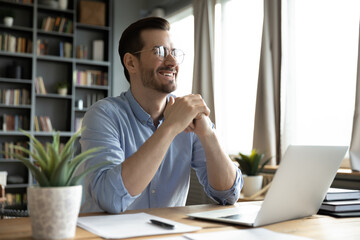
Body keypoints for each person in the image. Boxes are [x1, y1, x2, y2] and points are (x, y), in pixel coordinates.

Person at [80, 17, 242, 213]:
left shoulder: (188, 114)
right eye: (160, 51)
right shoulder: (102, 115)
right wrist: (170, 127)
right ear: (131, 63)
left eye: (173, 52)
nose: (172, 61)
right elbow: (111, 200)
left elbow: (228, 195)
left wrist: (208, 134)